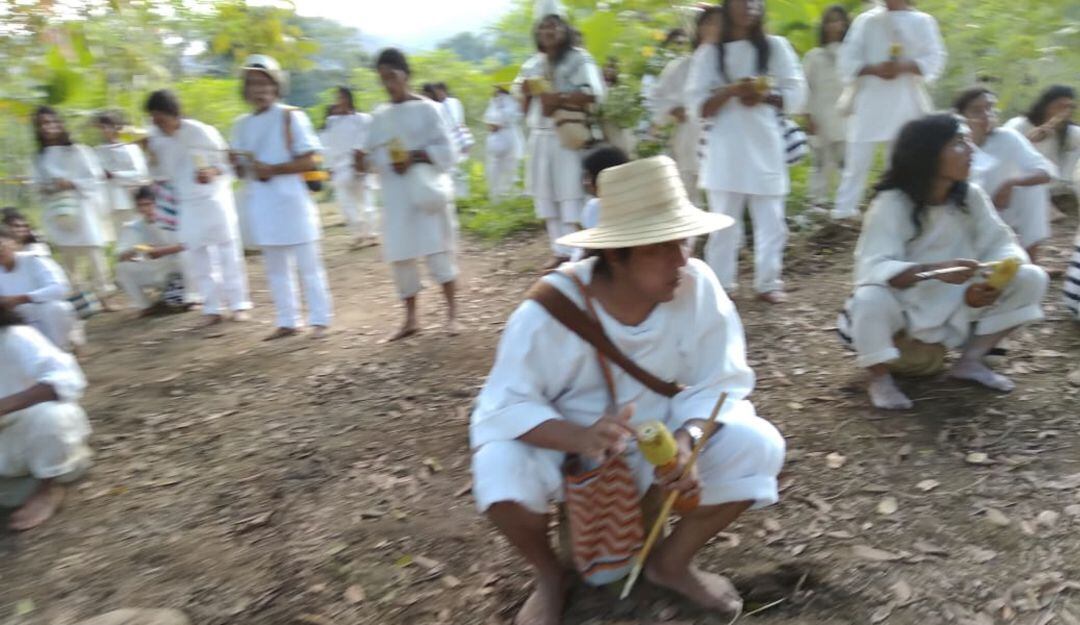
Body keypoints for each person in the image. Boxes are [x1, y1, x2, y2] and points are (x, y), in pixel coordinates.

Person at [470, 156, 784, 625]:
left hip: (662, 440)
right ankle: (551, 576)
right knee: (498, 469)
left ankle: (671, 564)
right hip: (569, 451)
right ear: (616, 254)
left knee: (759, 445)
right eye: (662, 248)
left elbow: (720, 380)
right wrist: (579, 438)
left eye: (684, 241)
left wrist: (687, 442)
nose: (682, 260)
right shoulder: (548, 312)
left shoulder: (696, 286)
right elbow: (505, 405)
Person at [836, 115, 1048, 410]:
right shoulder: (892, 203)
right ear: (928, 153)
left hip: (956, 298)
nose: (971, 149)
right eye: (959, 143)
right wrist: (934, 271)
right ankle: (880, 379)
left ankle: (970, 361)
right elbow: (872, 269)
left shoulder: (970, 196)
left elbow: (1002, 243)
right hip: (904, 302)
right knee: (869, 298)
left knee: (1031, 277)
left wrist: (990, 284)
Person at [686, 0, 807, 304]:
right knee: (723, 223)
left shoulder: (776, 47)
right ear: (727, 8)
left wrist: (766, 95)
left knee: (772, 221)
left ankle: (768, 282)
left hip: (765, 144)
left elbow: (797, 93)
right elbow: (695, 105)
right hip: (725, 148)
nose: (749, 6)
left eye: (755, 1)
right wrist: (730, 92)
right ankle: (721, 285)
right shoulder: (710, 54)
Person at [359, 48, 460, 341]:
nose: (389, 83)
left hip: (425, 191)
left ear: (406, 75)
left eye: (392, 76)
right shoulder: (379, 116)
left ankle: (453, 315)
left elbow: (448, 152)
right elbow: (372, 157)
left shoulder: (429, 109)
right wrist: (363, 161)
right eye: (383, 78)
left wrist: (414, 156)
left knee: (437, 251)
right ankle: (411, 318)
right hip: (395, 195)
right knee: (401, 256)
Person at [230, 55, 333, 340]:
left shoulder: (291, 116)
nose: (259, 89)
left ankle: (320, 319)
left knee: (308, 265)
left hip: (292, 200)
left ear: (276, 86)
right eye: (252, 83)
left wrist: (273, 169)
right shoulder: (241, 125)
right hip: (261, 202)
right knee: (275, 267)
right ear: (246, 89)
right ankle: (288, 320)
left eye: (264, 82)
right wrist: (238, 165)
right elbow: (240, 168)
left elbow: (310, 160)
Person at [830, 0, 946, 221]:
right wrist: (874, 69)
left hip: (905, 98)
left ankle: (896, 210)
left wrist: (904, 66)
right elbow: (848, 58)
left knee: (900, 159)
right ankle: (844, 211)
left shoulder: (922, 21)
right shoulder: (866, 21)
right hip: (870, 99)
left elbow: (934, 57)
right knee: (857, 160)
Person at [147, 89, 252, 329]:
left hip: (214, 198)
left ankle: (239, 304)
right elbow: (159, 174)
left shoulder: (201, 131)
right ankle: (212, 307)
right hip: (186, 202)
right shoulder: (156, 139)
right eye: (155, 120)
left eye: (162, 119)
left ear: (174, 113)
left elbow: (225, 163)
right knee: (197, 255)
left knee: (228, 251)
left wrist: (211, 173)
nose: (159, 124)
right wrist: (151, 156)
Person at [516, 0, 606, 268]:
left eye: (554, 25)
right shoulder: (531, 65)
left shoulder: (580, 58)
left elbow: (594, 94)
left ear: (564, 29)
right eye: (543, 26)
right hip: (540, 136)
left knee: (571, 196)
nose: (549, 30)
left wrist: (561, 97)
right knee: (546, 198)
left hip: (567, 136)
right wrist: (525, 93)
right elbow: (522, 108)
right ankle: (560, 251)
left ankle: (578, 253)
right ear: (537, 33)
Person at [0, 306, 91, 531]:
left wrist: (7, 405)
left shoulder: (15, 337)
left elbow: (68, 377)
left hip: (27, 431)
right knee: (11, 496)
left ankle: (46, 489)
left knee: (52, 416)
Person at [955, 87, 1055, 260]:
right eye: (977, 110)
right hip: (962, 217)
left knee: (1033, 189)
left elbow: (1046, 172)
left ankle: (1031, 260)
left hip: (1001, 210)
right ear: (961, 116)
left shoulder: (1007, 137)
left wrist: (1010, 183)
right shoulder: (952, 142)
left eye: (990, 108)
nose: (986, 114)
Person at [31, 106, 116, 305]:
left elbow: (94, 176)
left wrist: (72, 183)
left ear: (59, 124)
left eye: (51, 122)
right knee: (68, 258)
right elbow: (36, 185)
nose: (48, 127)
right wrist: (52, 186)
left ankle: (105, 298)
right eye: (43, 123)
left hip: (82, 207)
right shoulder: (39, 158)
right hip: (57, 209)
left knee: (94, 252)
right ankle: (81, 301)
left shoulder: (78, 150)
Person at [649, 6, 723, 204]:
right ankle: (688, 235)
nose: (715, 28)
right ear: (699, 29)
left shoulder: (732, 64)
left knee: (723, 195)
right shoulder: (682, 66)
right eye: (710, 22)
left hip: (723, 137)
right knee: (687, 193)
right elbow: (657, 97)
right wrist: (673, 110)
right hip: (689, 137)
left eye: (720, 23)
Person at [0, 226, 81, 351]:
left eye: (1, 245)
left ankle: (63, 349)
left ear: (13, 243)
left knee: (56, 308)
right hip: (17, 324)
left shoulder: (34, 260)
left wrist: (22, 298)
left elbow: (60, 288)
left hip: (45, 318)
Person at [802, 5, 850, 210]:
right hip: (820, 114)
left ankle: (845, 205)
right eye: (830, 21)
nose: (835, 25)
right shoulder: (814, 56)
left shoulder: (852, 54)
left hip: (846, 115)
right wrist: (807, 116)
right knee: (820, 163)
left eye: (839, 20)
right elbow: (805, 86)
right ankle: (817, 205)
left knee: (846, 163)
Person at [115, 186, 186, 316]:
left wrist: (161, 251)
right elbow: (120, 255)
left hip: (175, 266)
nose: (145, 209)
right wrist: (137, 249)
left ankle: (190, 296)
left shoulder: (171, 219)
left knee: (187, 257)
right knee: (122, 268)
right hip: (153, 268)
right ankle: (145, 306)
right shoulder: (134, 226)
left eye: (148, 204)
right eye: (141, 205)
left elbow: (186, 245)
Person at [322, 86, 379, 247]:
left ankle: (371, 233)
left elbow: (366, 140)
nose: (337, 102)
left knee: (366, 201)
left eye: (340, 98)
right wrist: (329, 167)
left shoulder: (362, 119)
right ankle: (359, 234)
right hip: (340, 167)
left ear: (347, 99)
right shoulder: (331, 122)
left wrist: (361, 158)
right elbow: (327, 146)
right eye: (337, 98)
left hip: (358, 164)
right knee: (347, 203)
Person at [1004, 85, 1079, 203]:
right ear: (1045, 106)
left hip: (1058, 190)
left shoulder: (1072, 132)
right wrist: (1028, 141)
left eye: (1070, 107)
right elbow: (1001, 155)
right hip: (1023, 186)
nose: (1066, 112)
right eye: (1060, 107)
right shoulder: (1018, 125)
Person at [93, 110, 150, 236]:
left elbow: (140, 174)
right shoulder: (97, 151)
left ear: (116, 127)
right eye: (101, 127)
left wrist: (114, 175)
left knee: (138, 234)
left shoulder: (131, 148)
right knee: (122, 237)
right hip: (111, 201)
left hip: (131, 199)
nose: (104, 131)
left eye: (106, 127)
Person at [570, 144, 629, 262]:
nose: (585, 182)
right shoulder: (593, 206)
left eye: (588, 176)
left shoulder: (595, 208)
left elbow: (591, 251)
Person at [483, 85, 525, 201]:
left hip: (508, 135)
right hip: (497, 136)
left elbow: (513, 117)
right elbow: (488, 118)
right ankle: (496, 194)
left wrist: (498, 122)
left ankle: (507, 194)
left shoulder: (513, 101)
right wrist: (492, 124)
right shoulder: (494, 101)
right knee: (495, 166)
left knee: (509, 166)